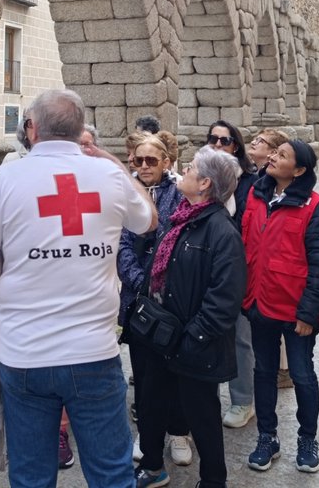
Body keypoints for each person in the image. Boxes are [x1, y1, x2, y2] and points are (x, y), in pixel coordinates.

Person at [0, 88, 157, 488]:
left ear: (31, 128)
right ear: (80, 129)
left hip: (25, 351)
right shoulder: (106, 176)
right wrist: (116, 164)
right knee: (112, 473)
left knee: (31, 474)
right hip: (93, 350)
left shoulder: (6, 177)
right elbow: (149, 221)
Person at [134, 148, 245, 488]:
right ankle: (153, 467)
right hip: (160, 337)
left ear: (205, 183)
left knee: (202, 416)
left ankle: (213, 480)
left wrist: (189, 338)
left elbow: (223, 300)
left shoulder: (221, 232)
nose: (185, 169)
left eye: (193, 168)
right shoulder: (181, 218)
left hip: (191, 344)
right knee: (151, 406)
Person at [241, 140, 319, 475]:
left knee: (301, 374)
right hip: (260, 303)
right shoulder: (256, 196)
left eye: (281, 155)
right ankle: (267, 436)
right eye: (274, 152)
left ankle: (307, 438)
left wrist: (309, 313)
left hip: (295, 309)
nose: (272, 157)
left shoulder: (317, 208)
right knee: (263, 372)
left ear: (298, 170)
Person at [117, 135, 191, 468]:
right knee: (144, 374)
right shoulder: (122, 194)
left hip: (172, 297)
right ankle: (147, 433)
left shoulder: (179, 195)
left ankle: (178, 430)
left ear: (166, 163)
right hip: (138, 299)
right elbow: (120, 243)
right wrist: (139, 282)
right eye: (138, 161)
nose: (144, 166)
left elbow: (176, 238)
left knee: (175, 370)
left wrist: (159, 282)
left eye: (151, 160)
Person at [204, 119, 259, 429]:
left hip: (236, 267)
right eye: (213, 139)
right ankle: (205, 393)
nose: (218, 145)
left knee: (239, 337)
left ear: (236, 146)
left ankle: (242, 401)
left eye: (225, 141)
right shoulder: (197, 174)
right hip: (201, 268)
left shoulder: (250, 181)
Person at [241, 127, 294, 393]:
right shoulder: (258, 179)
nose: (253, 142)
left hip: (275, 265)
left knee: (276, 322)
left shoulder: (273, 183)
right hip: (258, 262)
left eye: (260, 141)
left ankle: (283, 371)